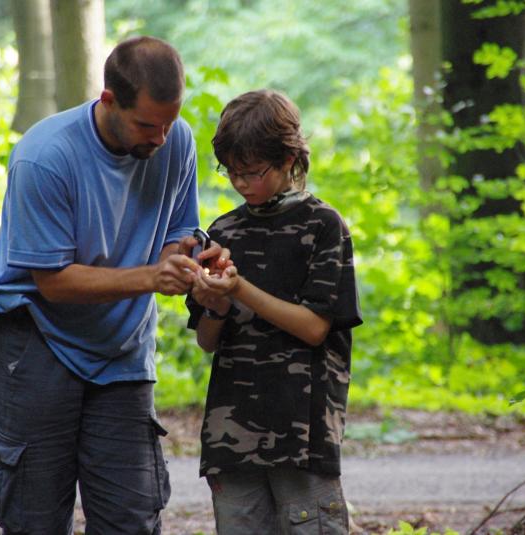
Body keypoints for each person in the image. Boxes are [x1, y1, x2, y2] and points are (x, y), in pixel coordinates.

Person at [0, 36, 228, 535]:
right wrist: (153, 277)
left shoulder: (176, 142)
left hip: (121, 349)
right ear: (108, 101)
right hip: (32, 339)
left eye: (170, 121)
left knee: (131, 517)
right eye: (147, 125)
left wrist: (189, 265)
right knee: (36, 517)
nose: (161, 137)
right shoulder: (44, 157)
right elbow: (53, 282)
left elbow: (176, 235)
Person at [186, 89, 363, 534]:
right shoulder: (222, 231)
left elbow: (314, 328)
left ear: (289, 160)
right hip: (231, 437)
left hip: (302, 433)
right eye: (231, 172)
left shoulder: (323, 226)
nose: (242, 183)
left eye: (253, 172)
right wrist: (217, 302)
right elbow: (207, 341)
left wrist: (240, 287)